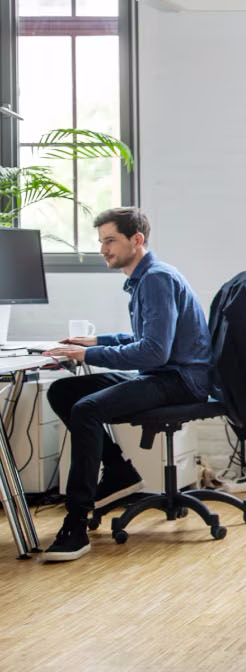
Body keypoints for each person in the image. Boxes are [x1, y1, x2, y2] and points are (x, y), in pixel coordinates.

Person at [40, 207, 213, 562]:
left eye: (110, 240)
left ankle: (75, 523)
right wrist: (94, 342)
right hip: (165, 373)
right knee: (64, 391)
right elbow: (146, 339)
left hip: (178, 380)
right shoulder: (145, 278)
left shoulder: (156, 279)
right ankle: (119, 471)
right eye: (101, 241)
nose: (103, 249)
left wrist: (88, 356)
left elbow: (152, 352)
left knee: (87, 409)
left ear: (137, 240)